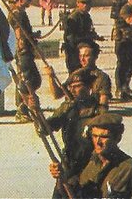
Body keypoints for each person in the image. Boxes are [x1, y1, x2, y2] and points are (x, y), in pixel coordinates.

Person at [51, 113, 132, 198]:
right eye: (95, 136)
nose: (98, 142)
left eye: (104, 137)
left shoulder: (131, 169)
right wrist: (60, 178)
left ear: (117, 138)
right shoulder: (84, 161)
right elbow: (65, 192)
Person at [46, 68, 101, 198]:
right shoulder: (67, 108)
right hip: (68, 164)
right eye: (71, 87)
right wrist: (35, 111)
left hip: (91, 165)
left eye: (77, 86)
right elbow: (45, 129)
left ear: (89, 87)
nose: (73, 90)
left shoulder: (97, 110)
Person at [45, 39, 112, 112]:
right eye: (80, 56)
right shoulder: (75, 75)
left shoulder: (101, 77)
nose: (82, 59)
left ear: (95, 57)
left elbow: (103, 107)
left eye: (86, 56)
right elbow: (57, 95)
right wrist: (51, 77)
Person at [8, 0, 42, 123]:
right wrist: (22, 49)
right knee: (26, 80)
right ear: (21, 0)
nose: (30, 1)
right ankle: (21, 110)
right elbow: (19, 33)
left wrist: (33, 35)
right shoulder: (17, 13)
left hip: (25, 50)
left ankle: (25, 107)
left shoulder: (19, 12)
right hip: (23, 51)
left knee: (30, 79)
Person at [63, 0, 103, 73]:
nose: (86, 5)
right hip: (75, 53)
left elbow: (88, 31)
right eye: (83, 2)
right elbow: (70, 39)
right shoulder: (74, 17)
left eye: (88, 3)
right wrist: (87, 38)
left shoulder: (86, 16)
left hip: (84, 53)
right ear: (77, 3)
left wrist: (95, 36)